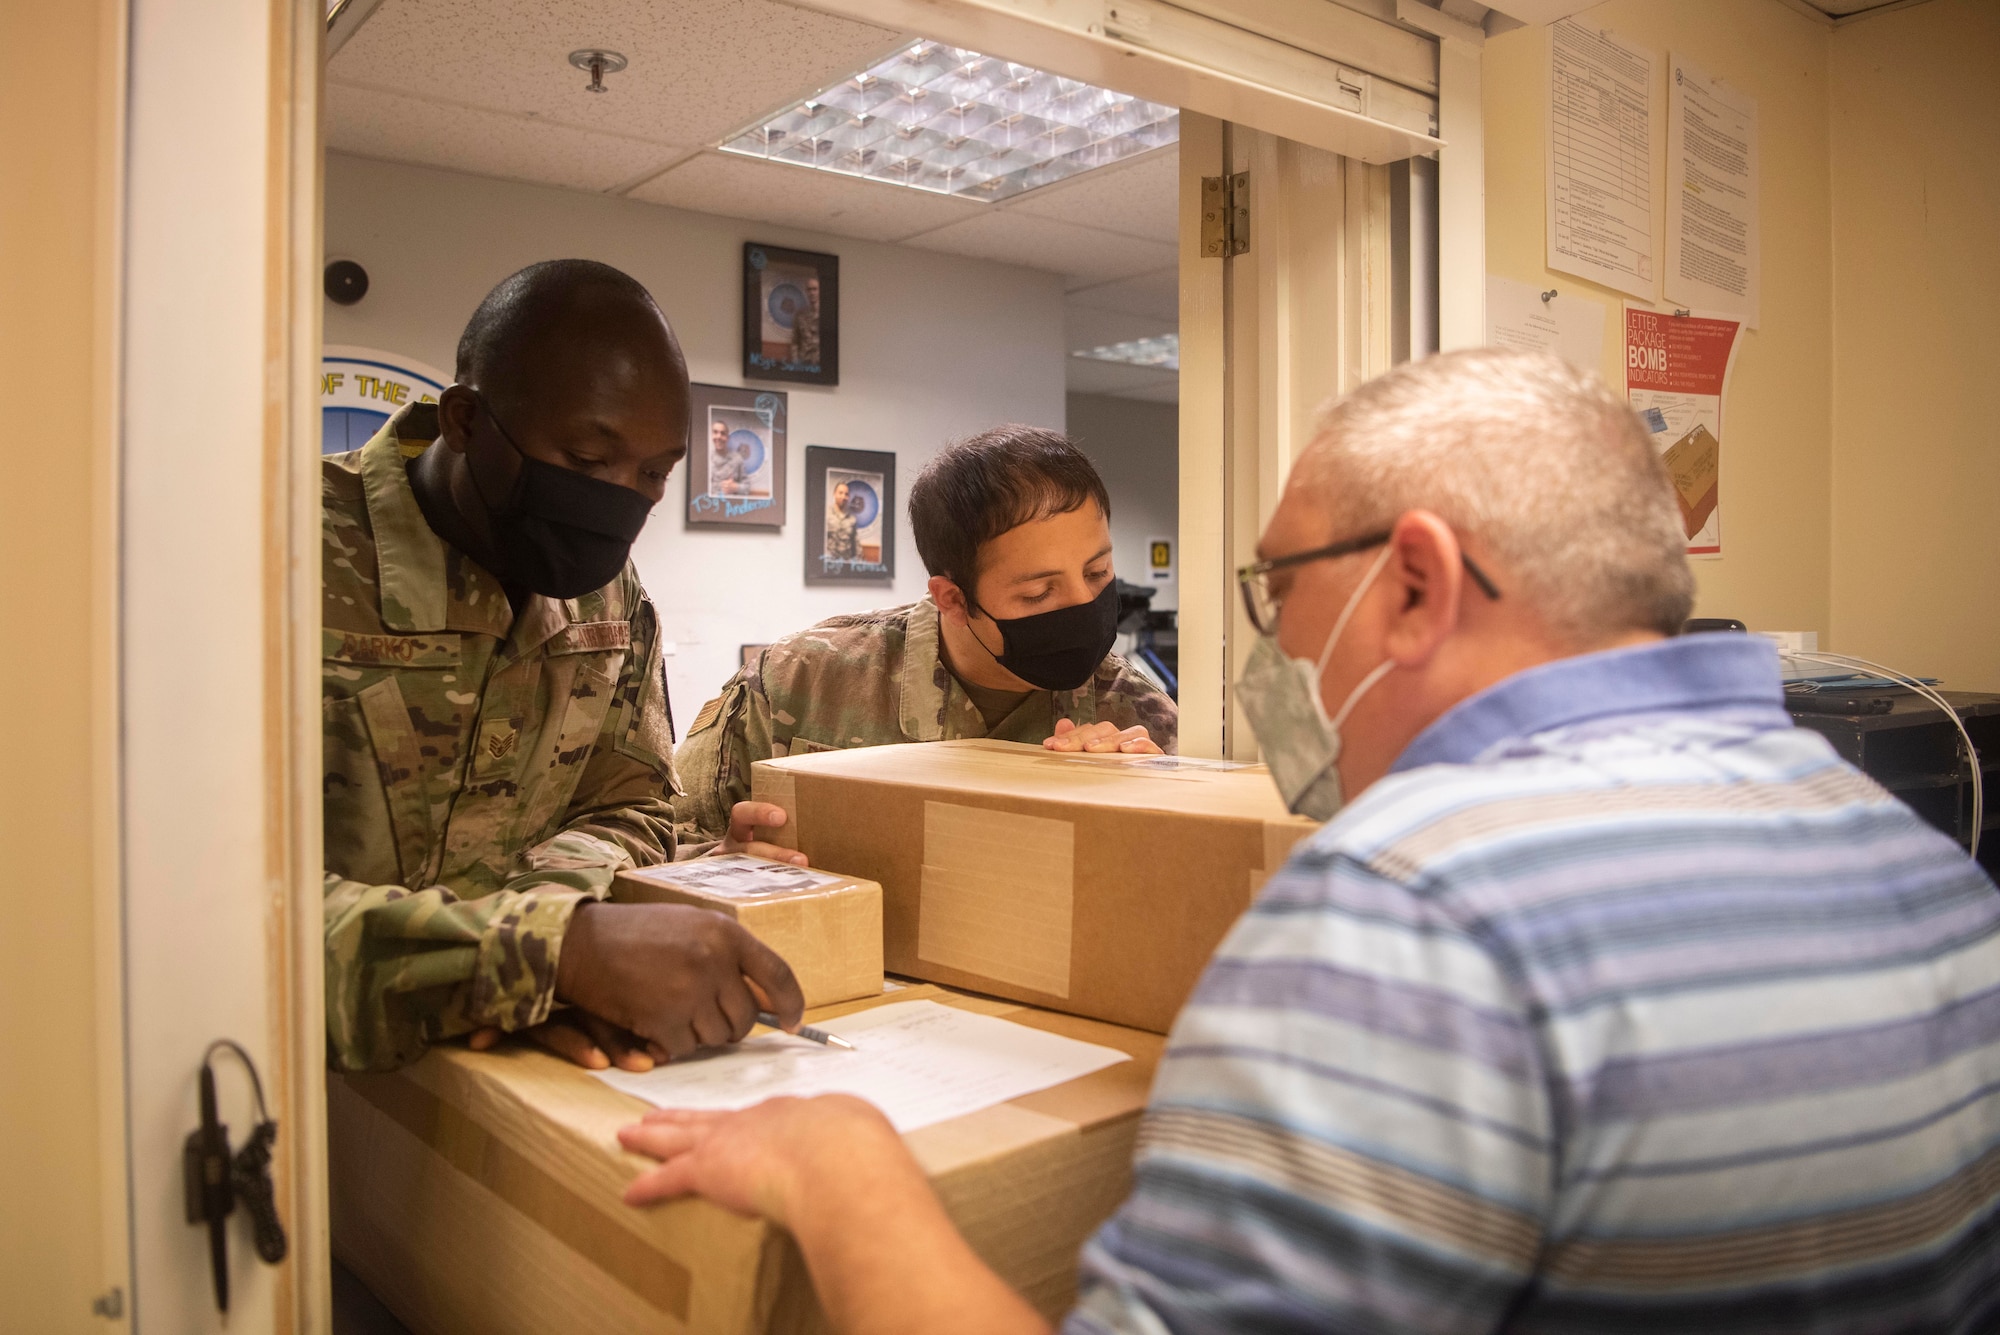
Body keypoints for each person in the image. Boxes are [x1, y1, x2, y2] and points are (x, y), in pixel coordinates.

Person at [619, 350, 2000, 1332]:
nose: (1275, 640)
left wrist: (845, 1173)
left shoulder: (1408, 907)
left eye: (1281, 585)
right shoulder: (1922, 864)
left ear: (1413, 583)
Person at [322, 259, 806, 1076]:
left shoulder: (610, 596)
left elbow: (637, 804)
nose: (621, 498)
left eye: (654, 472)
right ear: (467, 421)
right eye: (586, 459)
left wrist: (552, 933)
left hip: (501, 1076)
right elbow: (206, 910)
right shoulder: (280, 558)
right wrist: (543, 955)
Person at [674, 425, 1179, 847]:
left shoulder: (1140, 719)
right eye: (1038, 594)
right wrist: (720, 863)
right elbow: (661, 841)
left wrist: (1152, 808)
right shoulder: (801, 680)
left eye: (1097, 573)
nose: (1082, 606)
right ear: (953, 599)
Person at [823, 478, 859, 562]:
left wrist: (858, 562)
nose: (843, 496)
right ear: (834, 494)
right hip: (829, 560)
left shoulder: (852, 518)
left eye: (846, 494)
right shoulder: (826, 514)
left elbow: (855, 542)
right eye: (840, 493)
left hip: (847, 561)